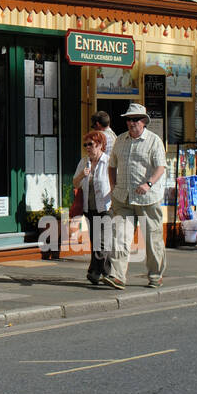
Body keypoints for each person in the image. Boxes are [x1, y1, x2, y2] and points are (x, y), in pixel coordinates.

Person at [102, 102, 167, 289]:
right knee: (120, 237)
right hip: (123, 197)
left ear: (144, 121)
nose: (132, 123)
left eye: (136, 119)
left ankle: (155, 276)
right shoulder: (120, 140)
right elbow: (112, 166)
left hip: (147, 198)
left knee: (152, 239)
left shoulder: (154, 140)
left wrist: (148, 184)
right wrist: (113, 186)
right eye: (129, 119)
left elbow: (160, 167)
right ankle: (117, 276)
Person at [72, 130, 112, 285]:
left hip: (106, 207)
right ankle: (102, 273)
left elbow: (115, 182)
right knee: (95, 241)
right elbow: (75, 184)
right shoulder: (84, 162)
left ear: (100, 145)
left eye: (91, 144)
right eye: (85, 145)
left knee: (102, 242)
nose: (87, 147)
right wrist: (82, 175)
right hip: (89, 208)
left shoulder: (108, 162)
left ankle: (98, 272)